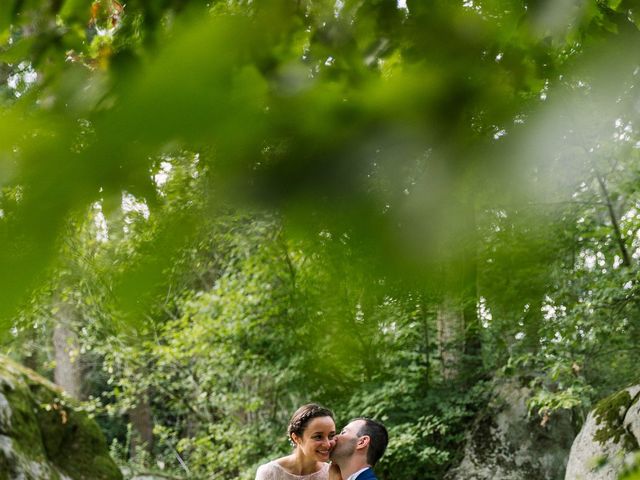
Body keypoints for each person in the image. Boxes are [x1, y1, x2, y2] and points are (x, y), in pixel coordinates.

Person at [255, 403, 336, 480]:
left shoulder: (332, 473)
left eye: (331, 436)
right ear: (296, 438)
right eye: (318, 437)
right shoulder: (270, 474)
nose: (327, 444)